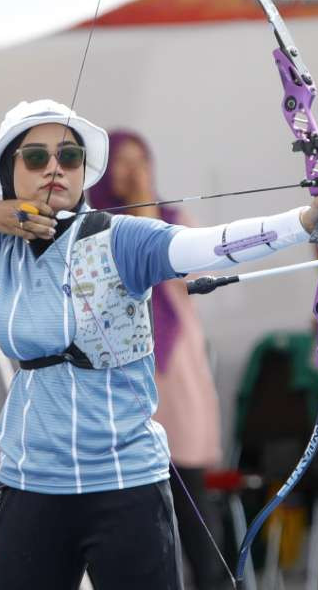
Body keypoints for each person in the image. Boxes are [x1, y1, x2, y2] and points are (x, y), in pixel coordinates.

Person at [0, 99, 318, 589]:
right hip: (29, 482)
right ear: (9, 169)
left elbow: (210, 244)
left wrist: (304, 221)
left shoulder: (121, 239)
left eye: (69, 157)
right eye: (36, 158)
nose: (54, 169)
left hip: (125, 485)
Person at [87, 130, 227, 589]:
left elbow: (188, 277)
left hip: (176, 374)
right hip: (124, 377)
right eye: (120, 163)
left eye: (139, 161)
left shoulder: (175, 220)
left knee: (193, 500)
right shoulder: (92, 229)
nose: (132, 172)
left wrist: (146, 206)